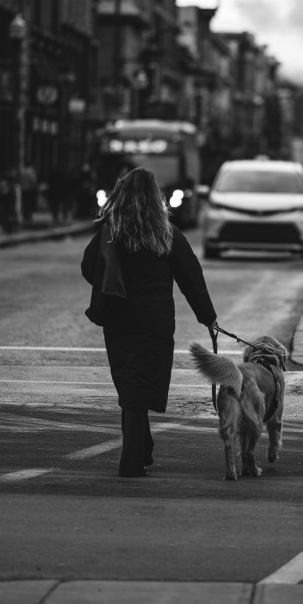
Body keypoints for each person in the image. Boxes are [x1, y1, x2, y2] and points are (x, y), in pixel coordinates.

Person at [81, 167, 217, 478]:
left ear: (122, 194)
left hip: (119, 319)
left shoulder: (111, 232)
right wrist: (207, 317)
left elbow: (89, 267)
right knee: (140, 388)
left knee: (131, 385)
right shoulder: (166, 232)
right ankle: (134, 458)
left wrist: (109, 282)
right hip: (155, 322)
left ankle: (140, 450)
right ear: (156, 198)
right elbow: (190, 277)